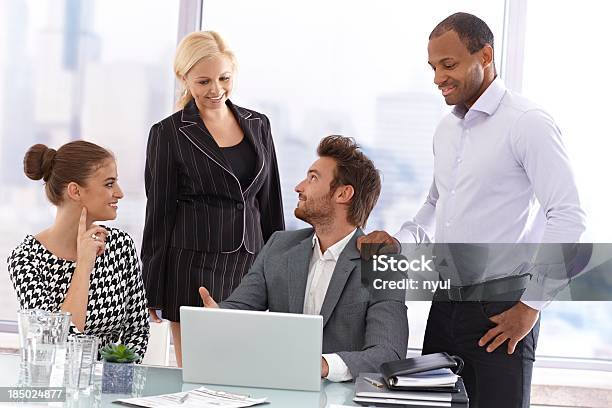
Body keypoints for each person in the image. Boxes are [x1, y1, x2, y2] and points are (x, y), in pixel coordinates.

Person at [357, 12, 586, 408]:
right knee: (431, 404)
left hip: (503, 309)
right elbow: (434, 205)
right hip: (445, 302)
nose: (437, 78)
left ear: (485, 55)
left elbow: (568, 216)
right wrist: (400, 240)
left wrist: (530, 307)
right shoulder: (447, 130)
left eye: (449, 65)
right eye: (432, 67)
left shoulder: (527, 123)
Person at [199, 135, 408, 381]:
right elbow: (241, 307)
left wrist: (323, 365)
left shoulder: (382, 265)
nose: (299, 187)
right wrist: (217, 315)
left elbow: (388, 353)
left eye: (313, 178)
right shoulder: (279, 246)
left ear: (343, 193)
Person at [141, 31, 285, 367]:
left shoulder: (258, 124)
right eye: (204, 81)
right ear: (184, 78)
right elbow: (159, 214)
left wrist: (278, 270)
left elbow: (271, 204)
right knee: (198, 372)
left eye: (224, 78)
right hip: (191, 267)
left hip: (250, 266)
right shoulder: (168, 133)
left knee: (244, 371)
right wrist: (151, 286)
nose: (216, 90)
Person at [8, 142, 149, 360]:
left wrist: (114, 381)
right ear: (75, 191)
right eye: (109, 184)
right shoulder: (26, 260)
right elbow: (56, 343)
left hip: (112, 387)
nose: (119, 193)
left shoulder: (120, 245)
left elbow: (137, 331)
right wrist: (84, 265)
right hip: (56, 386)